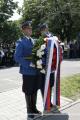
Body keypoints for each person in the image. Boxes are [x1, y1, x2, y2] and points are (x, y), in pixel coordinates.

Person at [14, 21, 41, 119]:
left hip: (36, 70)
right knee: (28, 91)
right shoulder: (20, 42)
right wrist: (29, 64)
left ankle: (34, 108)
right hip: (27, 71)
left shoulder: (34, 41)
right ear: (24, 30)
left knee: (34, 90)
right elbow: (17, 57)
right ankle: (29, 111)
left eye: (31, 28)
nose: (30, 30)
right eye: (28, 29)